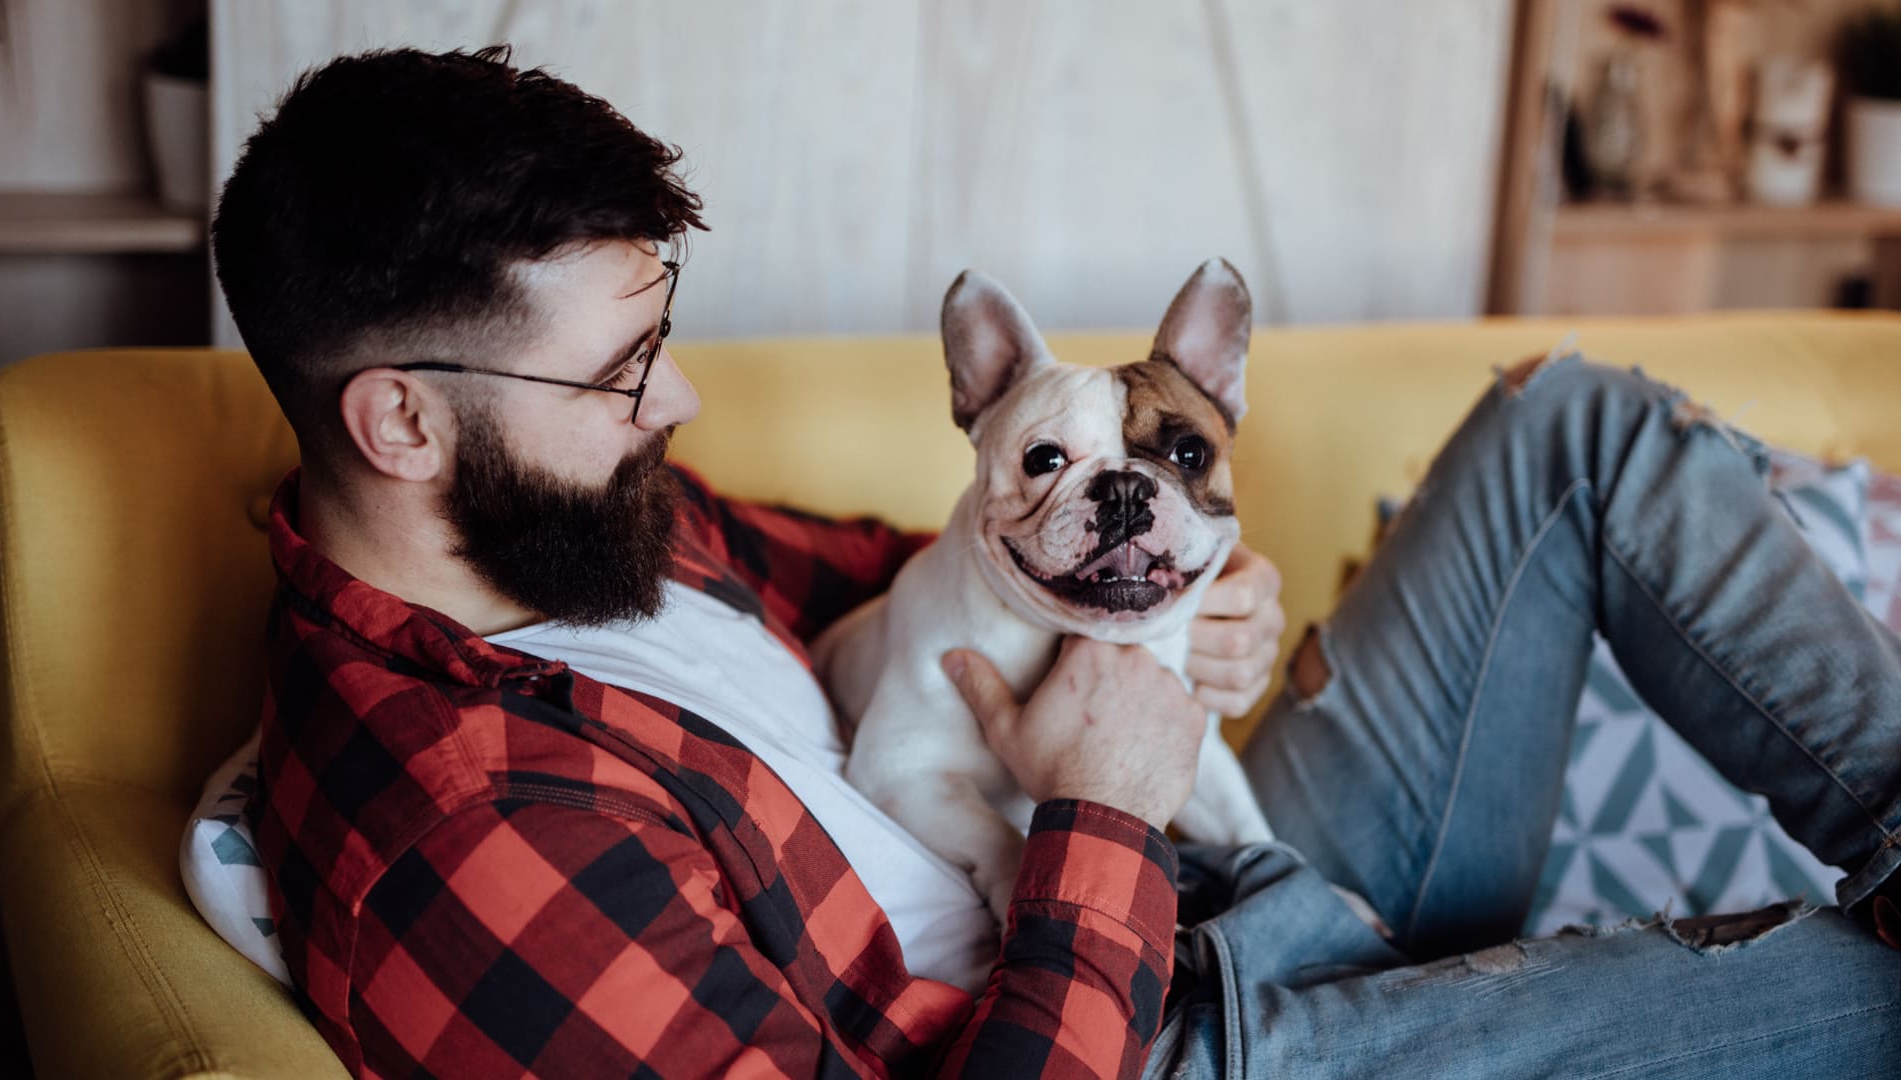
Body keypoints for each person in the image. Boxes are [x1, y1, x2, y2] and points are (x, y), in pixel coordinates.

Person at [213, 45, 1901, 1080]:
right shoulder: (470, 842)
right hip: (1161, 1029)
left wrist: (1191, 609)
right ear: (401, 426)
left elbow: (931, 563)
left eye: (664, 341)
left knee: (1573, 429)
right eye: (620, 374)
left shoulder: (585, 522)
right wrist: (1098, 818)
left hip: (1188, 856)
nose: (687, 402)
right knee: (1868, 994)